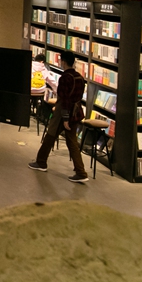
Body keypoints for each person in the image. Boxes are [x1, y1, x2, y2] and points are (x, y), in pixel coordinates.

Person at [28, 51, 89, 183]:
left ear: (64, 62)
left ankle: (41, 162)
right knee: (72, 142)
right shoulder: (79, 77)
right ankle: (81, 171)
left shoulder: (64, 78)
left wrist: (66, 118)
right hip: (76, 112)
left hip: (64, 113)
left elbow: (65, 99)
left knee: (50, 135)